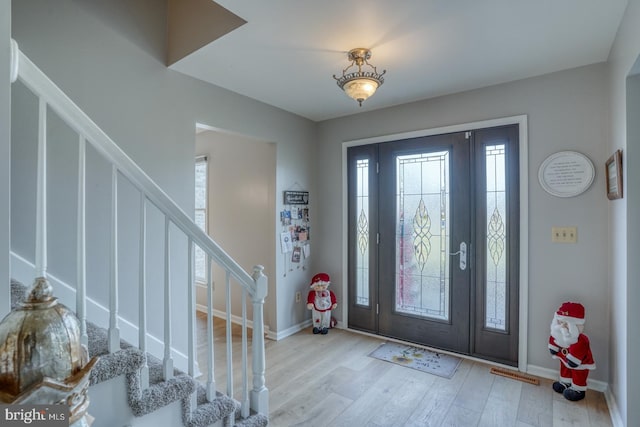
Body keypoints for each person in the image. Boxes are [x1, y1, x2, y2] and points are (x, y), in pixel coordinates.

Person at [548, 301, 596, 401]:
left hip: (579, 362)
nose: (563, 326)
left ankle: (578, 389)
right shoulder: (559, 334)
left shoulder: (581, 339)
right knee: (564, 368)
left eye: (566, 324)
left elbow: (579, 349)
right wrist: (553, 348)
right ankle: (565, 383)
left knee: (578, 373)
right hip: (564, 358)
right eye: (560, 322)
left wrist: (574, 360)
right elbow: (554, 338)